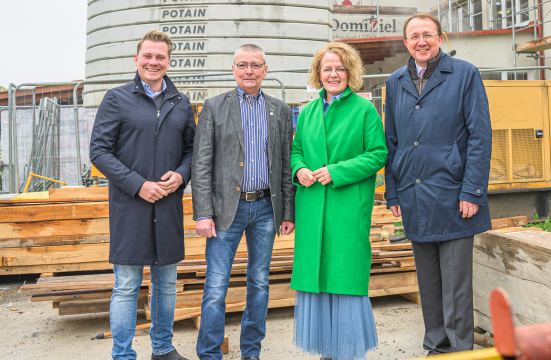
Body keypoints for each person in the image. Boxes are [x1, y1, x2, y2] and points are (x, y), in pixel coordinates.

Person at [384, 13, 492, 354]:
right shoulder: (395, 80)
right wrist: (393, 190)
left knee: (456, 286)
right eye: (414, 36)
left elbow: (479, 135)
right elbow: (393, 141)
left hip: (454, 193)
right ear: (405, 43)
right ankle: (436, 345)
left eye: (427, 34)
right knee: (428, 283)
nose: (421, 41)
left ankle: (460, 349)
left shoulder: (464, 75)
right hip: (414, 193)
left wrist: (472, 190)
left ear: (440, 38)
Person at [90, 30, 196, 360]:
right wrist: (138, 184)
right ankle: (123, 355)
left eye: (160, 57)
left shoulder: (181, 103)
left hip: (168, 206)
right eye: (147, 56)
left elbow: (193, 150)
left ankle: (162, 349)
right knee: (126, 285)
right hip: (130, 208)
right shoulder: (117, 98)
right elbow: (99, 151)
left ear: (169, 61)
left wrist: (180, 175)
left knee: (165, 284)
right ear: (136, 59)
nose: (153, 62)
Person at [191, 44, 296, 360]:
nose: (249, 71)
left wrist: (287, 211)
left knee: (259, 283)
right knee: (216, 286)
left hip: (266, 208)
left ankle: (251, 351)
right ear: (233, 69)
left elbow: (285, 163)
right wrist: (203, 213)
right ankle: (210, 353)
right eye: (242, 65)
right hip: (225, 211)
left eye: (255, 65)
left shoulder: (279, 109)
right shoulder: (214, 107)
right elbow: (201, 163)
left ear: (265, 70)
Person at [290, 41, 388, 360]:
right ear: (318, 73)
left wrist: (336, 171)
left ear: (350, 72)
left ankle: (346, 349)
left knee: (344, 275)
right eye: (327, 68)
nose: (333, 74)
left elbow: (378, 154)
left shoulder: (364, 110)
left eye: (339, 68)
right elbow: (297, 150)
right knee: (316, 275)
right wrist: (299, 168)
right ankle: (325, 350)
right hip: (312, 206)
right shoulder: (306, 113)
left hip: (346, 207)